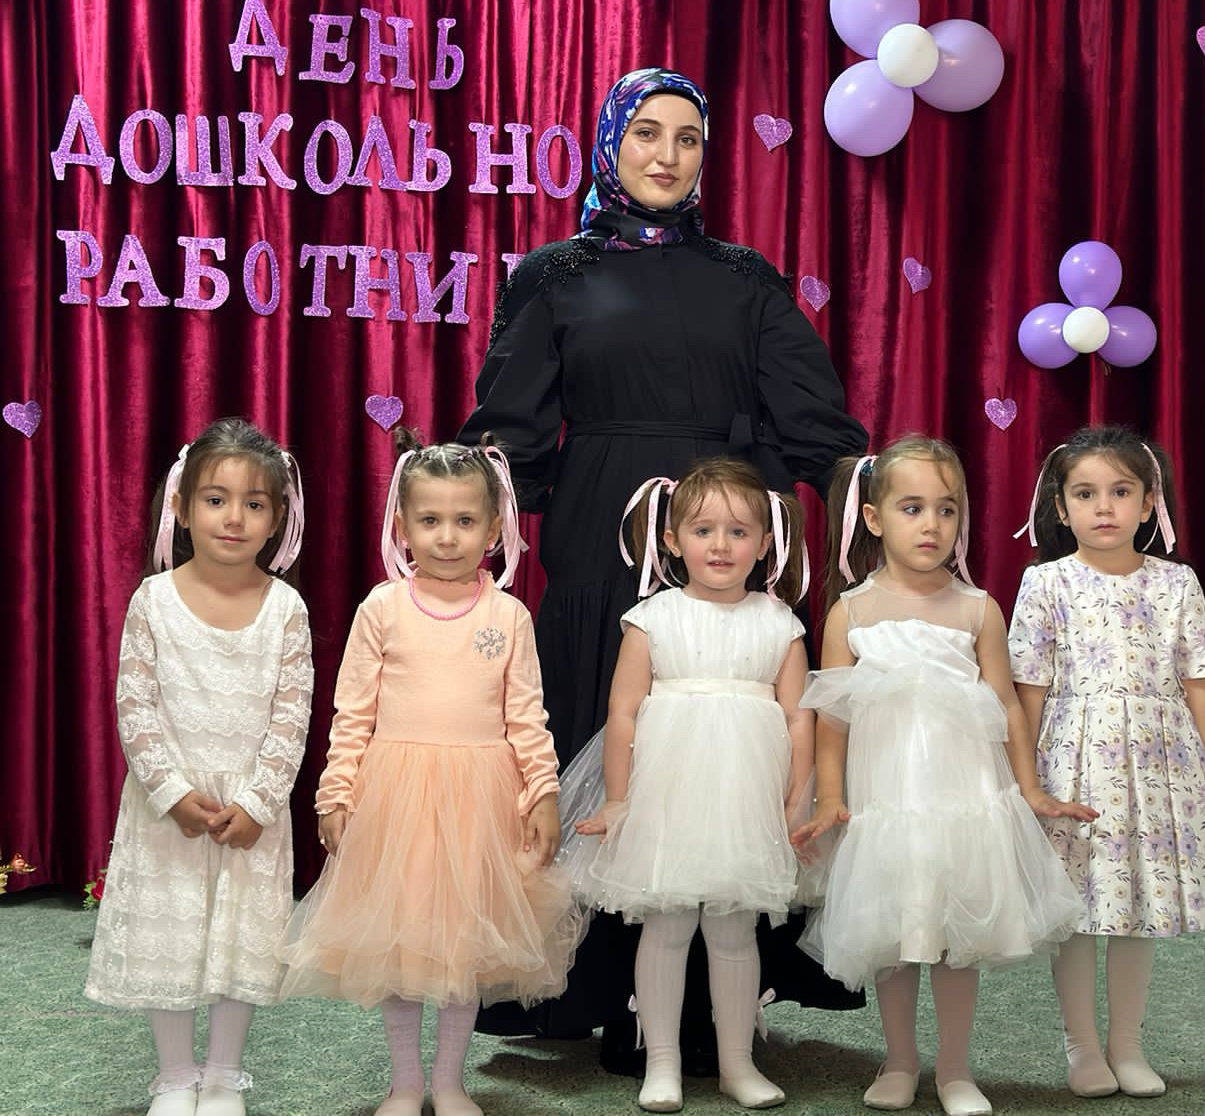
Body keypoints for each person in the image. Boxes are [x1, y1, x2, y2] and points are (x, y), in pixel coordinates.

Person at [460, 66, 867, 1064]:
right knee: (605, 748)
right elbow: (512, 427)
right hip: (600, 536)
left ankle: (715, 1003)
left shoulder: (745, 277)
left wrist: (878, 499)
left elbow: (814, 420)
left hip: (725, 539)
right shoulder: (552, 274)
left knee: (727, 757)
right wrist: (461, 514)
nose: (667, 154)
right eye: (646, 132)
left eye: (688, 137)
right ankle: (601, 995)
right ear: (611, 144)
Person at [278, 432, 582, 1116]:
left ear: (495, 529)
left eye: (465, 520)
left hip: (480, 802)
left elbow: (527, 716)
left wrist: (543, 792)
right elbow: (353, 712)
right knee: (403, 945)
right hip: (398, 799)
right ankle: (405, 1083)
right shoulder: (381, 609)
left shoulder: (508, 615)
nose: (447, 537)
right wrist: (336, 792)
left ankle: (448, 1082)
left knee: (461, 950)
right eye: (430, 520)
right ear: (403, 525)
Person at [792, 436, 1093, 1116]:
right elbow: (832, 719)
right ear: (874, 519)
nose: (931, 525)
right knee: (895, 937)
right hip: (886, 802)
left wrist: (1031, 788)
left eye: (947, 509)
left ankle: (955, 1069)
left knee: (958, 939)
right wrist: (831, 796)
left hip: (964, 800)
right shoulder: (852, 612)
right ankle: (899, 1061)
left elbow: (1008, 706)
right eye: (912, 508)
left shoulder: (977, 608)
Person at [1007, 425, 1205, 1099]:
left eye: (1121, 492)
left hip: (1156, 764)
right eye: (1085, 494)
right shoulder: (1045, 583)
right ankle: (1081, 1047)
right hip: (1073, 760)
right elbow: (1027, 691)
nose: (1104, 507)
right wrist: (1024, 780)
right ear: (1060, 507)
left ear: (1149, 502)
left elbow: (1197, 680)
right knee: (1076, 907)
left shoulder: (1178, 582)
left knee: (1135, 903)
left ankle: (1126, 1045)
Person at [562, 457, 812, 1111]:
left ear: (765, 543)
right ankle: (662, 1062)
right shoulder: (653, 618)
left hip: (745, 800)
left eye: (738, 532)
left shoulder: (780, 623)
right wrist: (618, 799)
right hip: (666, 797)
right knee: (666, 925)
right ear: (672, 541)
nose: (720, 545)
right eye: (704, 530)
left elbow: (799, 718)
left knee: (734, 931)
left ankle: (736, 1063)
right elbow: (622, 714)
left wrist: (796, 798)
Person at [84, 418, 312, 1116]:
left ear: (277, 517)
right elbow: (135, 707)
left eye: (254, 503)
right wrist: (172, 793)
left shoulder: (286, 609)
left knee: (242, 942)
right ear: (181, 508)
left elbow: (292, 716)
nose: (234, 518)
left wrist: (259, 802)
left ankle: (223, 1077)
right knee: (171, 938)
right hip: (170, 814)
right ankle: (176, 1076)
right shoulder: (152, 601)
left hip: (248, 814)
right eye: (216, 499)